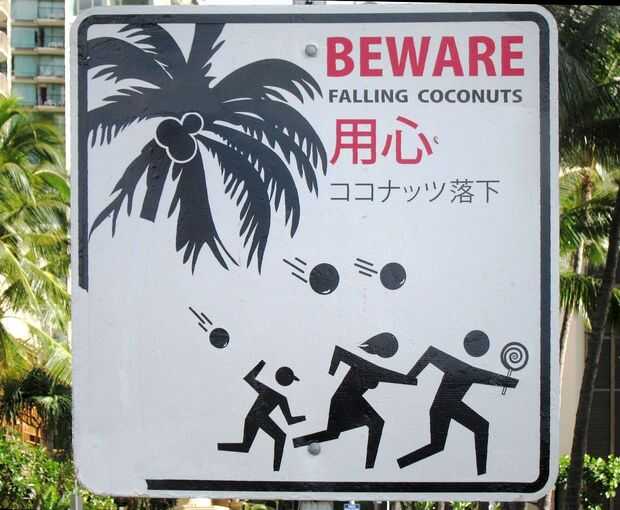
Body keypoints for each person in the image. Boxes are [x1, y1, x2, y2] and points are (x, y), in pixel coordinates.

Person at [397, 330, 518, 475]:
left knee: (437, 446)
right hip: (444, 407)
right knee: (480, 426)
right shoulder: (463, 368)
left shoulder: (467, 369)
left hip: (443, 407)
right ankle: (482, 474)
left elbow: (431, 353)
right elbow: (431, 353)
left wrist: (410, 377)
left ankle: (401, 463)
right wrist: (409, 377)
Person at [293, 332, 416, 469]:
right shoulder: (365, 365)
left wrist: (411, 380)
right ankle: (370, 467)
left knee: (336, 433)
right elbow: (339, 353)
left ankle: (296, 442)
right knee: (372, 424)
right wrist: (331, 372)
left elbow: (392, 376)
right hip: (342, 401)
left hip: (352, 400)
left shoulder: (373, 368)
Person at [218, 360, 305, 471]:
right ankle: (276, 470)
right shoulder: (279, 397)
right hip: (258, 417)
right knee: (280, 437)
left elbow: (249, 378)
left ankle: (218, 446)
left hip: (251, 417)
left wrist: (262, 363)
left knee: (245, 447)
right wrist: (305, 417)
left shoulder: (267, 390)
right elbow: (290, 421)